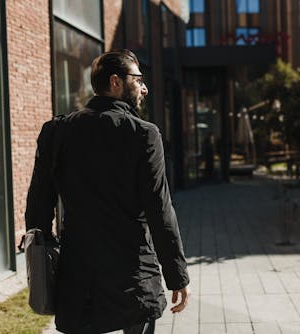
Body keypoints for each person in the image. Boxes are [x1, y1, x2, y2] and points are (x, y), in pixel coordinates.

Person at [25, 49, 190, 334]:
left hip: (78, 275)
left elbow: (38, 207)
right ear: (116, 82)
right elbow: (159, 210)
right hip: (133, 275)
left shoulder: (57, 132)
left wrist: (43, 260)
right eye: (138, 79)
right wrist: (177, 276)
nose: (144, 87)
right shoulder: (143, 134)